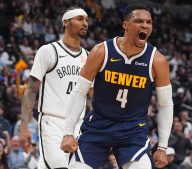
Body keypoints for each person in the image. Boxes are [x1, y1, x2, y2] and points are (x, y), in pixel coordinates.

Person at [60, 4, 174, 169]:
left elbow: (165, 104)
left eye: (149, 22)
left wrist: (162, 146)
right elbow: (79, 92)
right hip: (99, 124)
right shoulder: (101, 51)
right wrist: (68, 133)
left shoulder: (157, 60)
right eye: (138, 21)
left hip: (133, 130)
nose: (145, 26)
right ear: (125, 25)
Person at [20, 7, 89, 169]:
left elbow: (95, 95)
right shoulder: (49, 51)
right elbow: (30, 90)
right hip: (52, 122)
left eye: (86, 20)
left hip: (78, 124)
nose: (85, 23)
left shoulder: (89, 56)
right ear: (66, 22)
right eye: (79, 19)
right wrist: (24, 126)